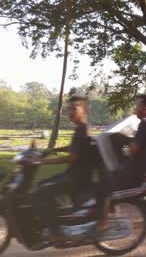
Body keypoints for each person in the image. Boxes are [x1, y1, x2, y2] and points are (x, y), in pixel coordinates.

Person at [33, 96, 97, 242]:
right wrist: (53, 150)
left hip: (78, 178)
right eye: (69, 109)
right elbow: (74, 148)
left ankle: (56, 232)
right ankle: (57, 220)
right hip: (74, 174)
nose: (70, 112)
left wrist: (43, 162)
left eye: (74, 109)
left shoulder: (83, 129)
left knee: (40, 192)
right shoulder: (81, 128)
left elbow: (72, 157)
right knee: (42, 184)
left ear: (83, 110)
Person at [113, 94, 146, 190]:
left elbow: (133, 149)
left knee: (105, 181)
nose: (135, 109)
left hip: (139, 173)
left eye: (138, 106)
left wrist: (126, 147)